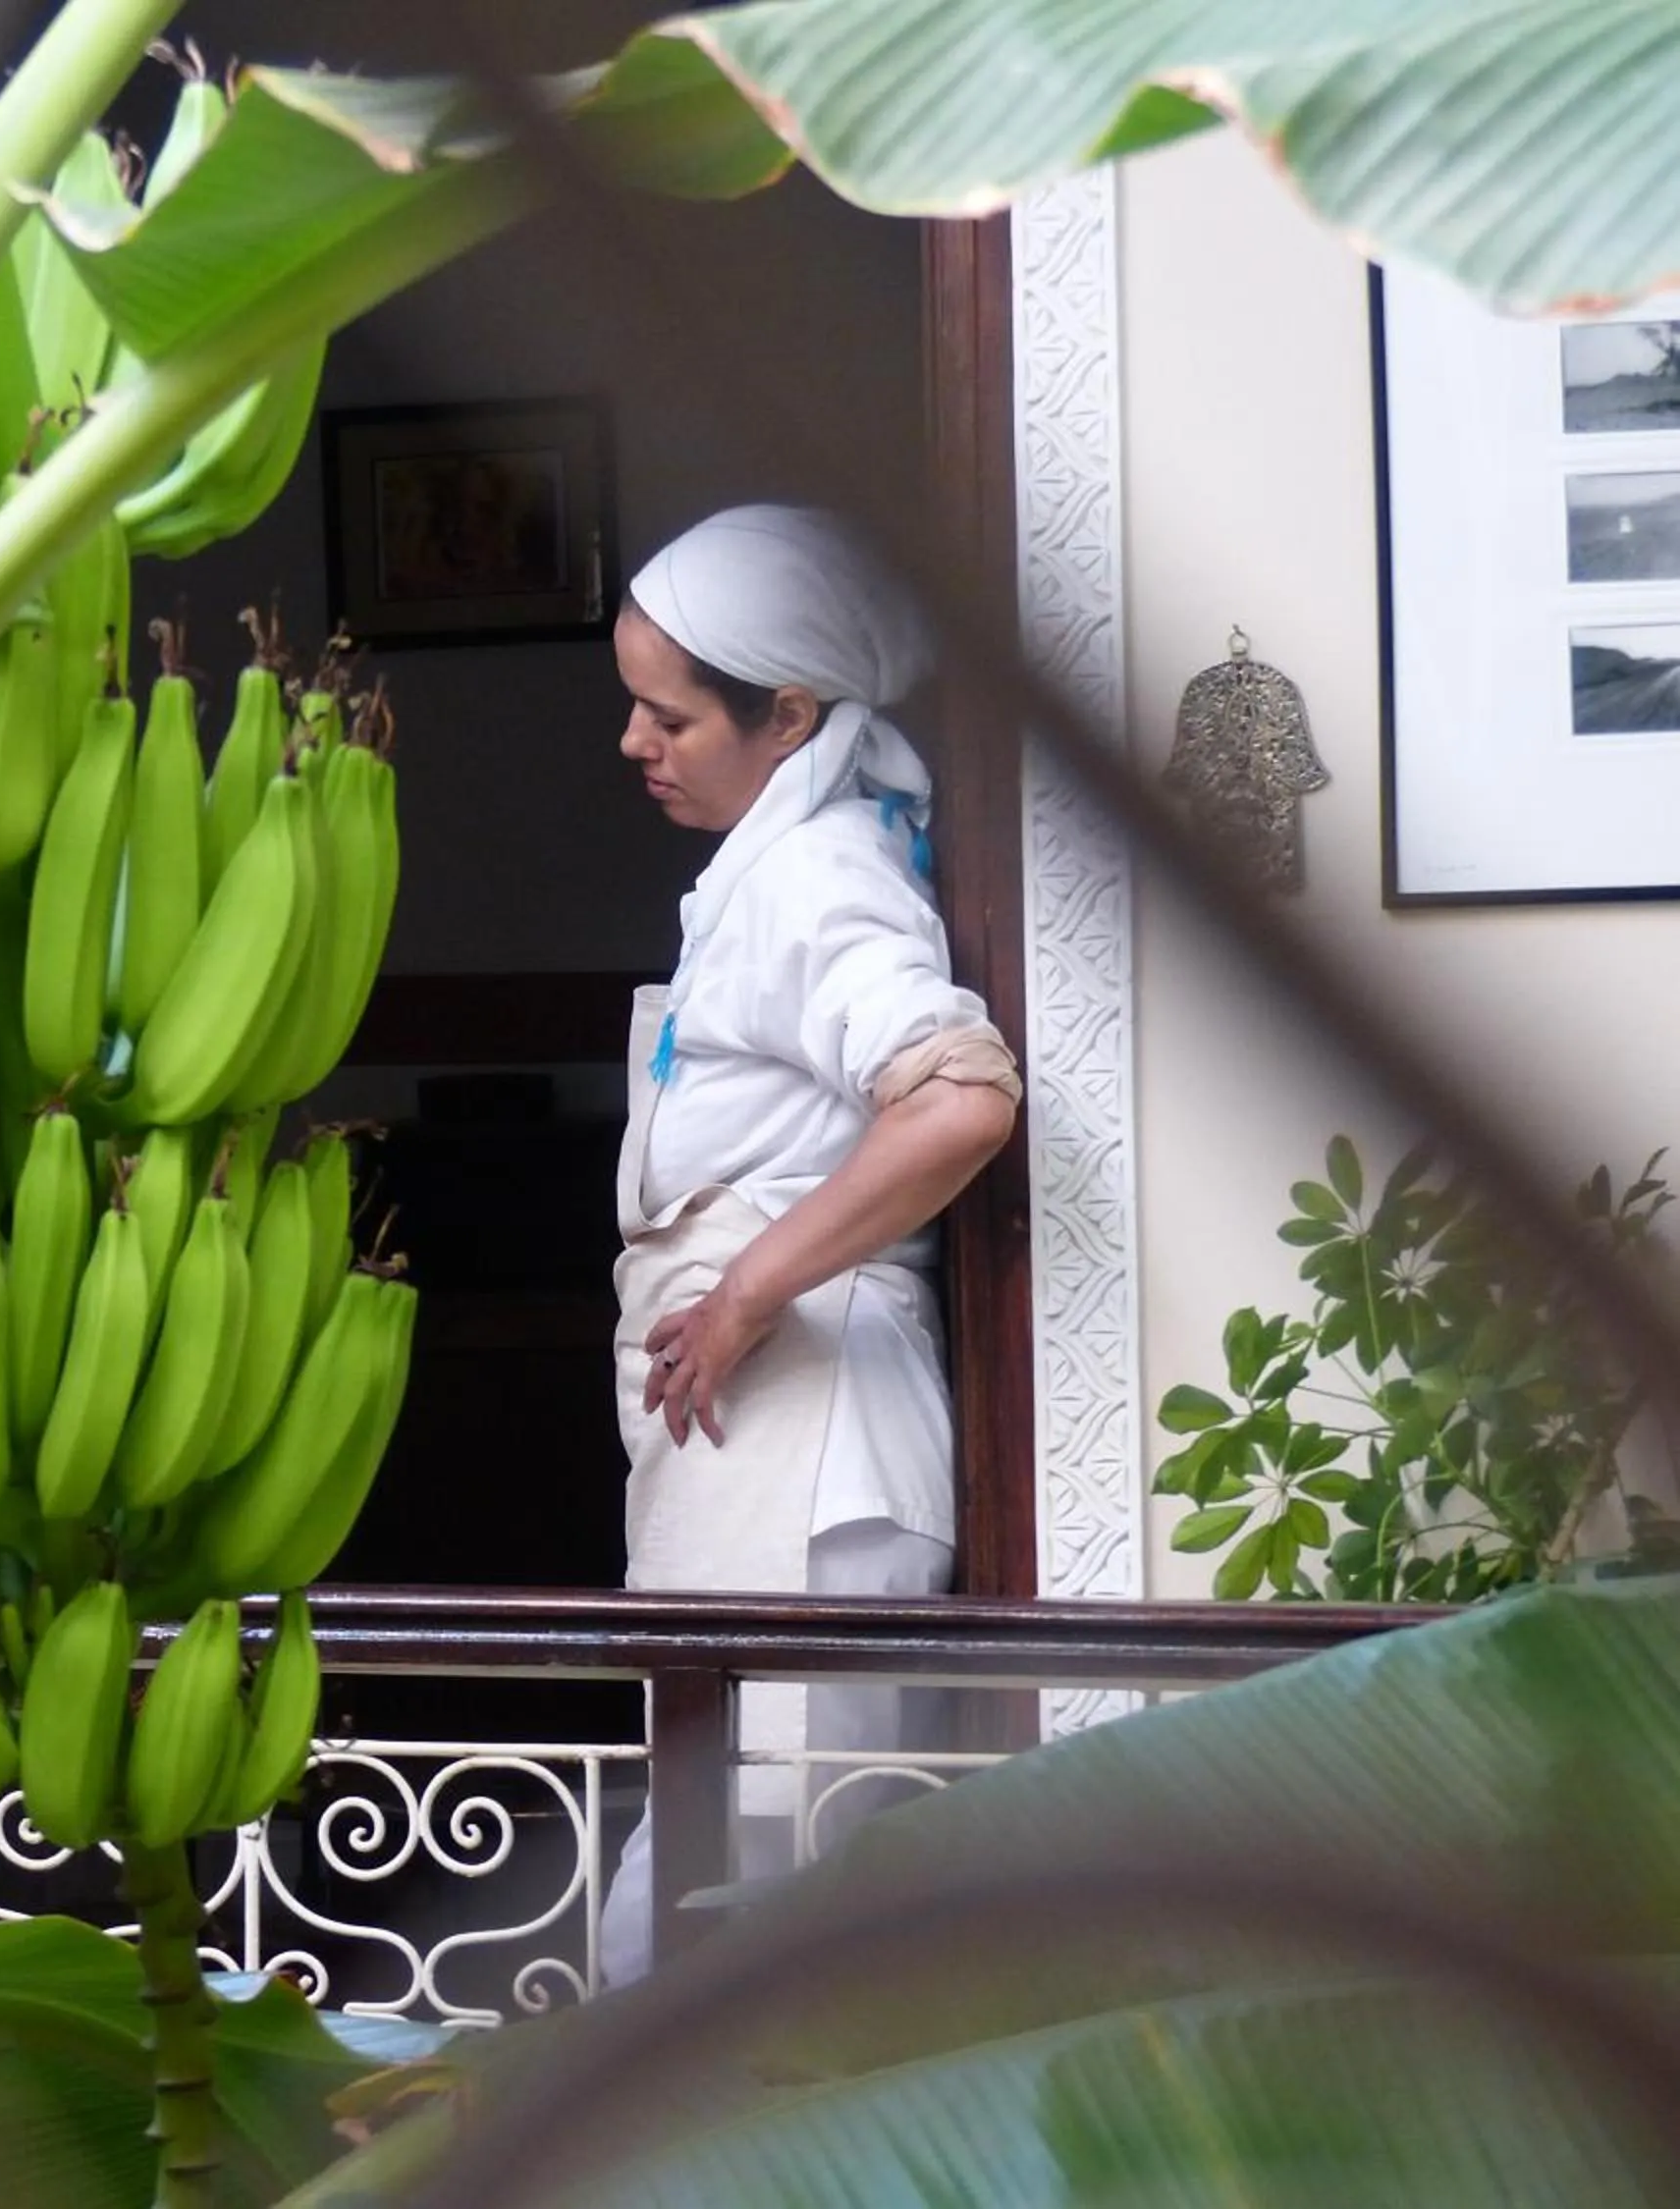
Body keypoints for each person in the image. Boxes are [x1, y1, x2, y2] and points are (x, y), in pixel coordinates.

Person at [595, 507, 1020, 1985]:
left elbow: (960, 1097)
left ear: (789, 715)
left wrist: (743, 1296)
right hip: (766, 1450)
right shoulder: (769, 871)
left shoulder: (819, 876)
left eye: (671, 717)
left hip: (811, 1448)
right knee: (726, 1884)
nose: (639, 747)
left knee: (721, 1910)